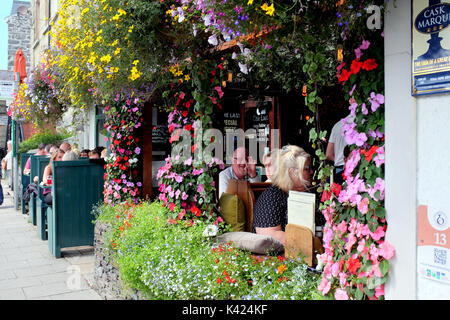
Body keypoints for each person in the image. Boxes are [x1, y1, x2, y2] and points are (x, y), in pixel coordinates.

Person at [252, 145, 313, 245]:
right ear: (292, 173)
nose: (311, 172)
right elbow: (269, 236)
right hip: (283, 257)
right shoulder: (272, 197)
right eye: (307, 168)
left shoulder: (308, 191)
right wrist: (311, 243)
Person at [326, 119, 347, 184]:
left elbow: (328, 155)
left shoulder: (338, 125)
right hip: (353, 169)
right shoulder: (362, 122)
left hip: (339, 168)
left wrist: (339, 159)